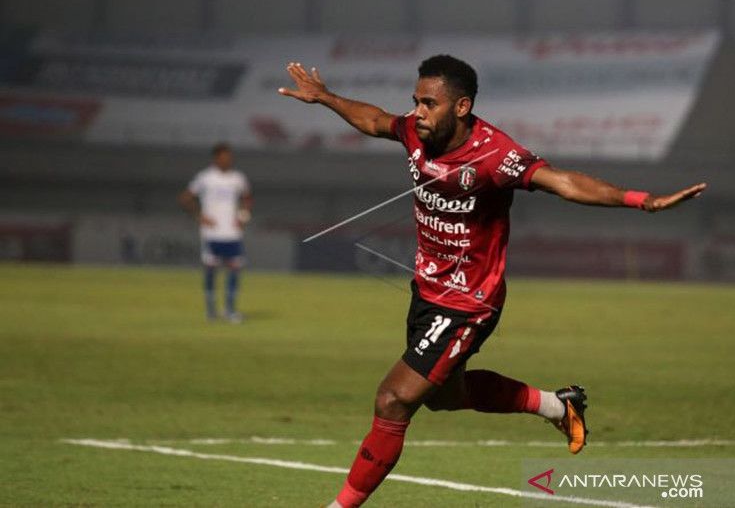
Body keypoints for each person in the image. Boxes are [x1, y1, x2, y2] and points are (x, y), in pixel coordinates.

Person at [279, 55, 706, 507]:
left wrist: (642, 201)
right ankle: (558, 405)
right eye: (415, 102)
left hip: (468, 302)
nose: (418, 112)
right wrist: (326, 98)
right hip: (425, 292)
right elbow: (374, 119)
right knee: (445, 397)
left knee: (392, 401)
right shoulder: (415, 132)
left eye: (429, 103)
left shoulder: (496, 155)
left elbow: (563, 182)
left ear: (461, 107)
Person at [179, 143, 253, 323]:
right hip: (212, 233)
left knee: (234, 269)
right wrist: (199, 216)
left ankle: (230, 310)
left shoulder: (238, 178)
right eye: (224, 156)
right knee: (211, 270)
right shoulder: (205, 177)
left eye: (230, 156)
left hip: (232, 232)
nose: (228, 159)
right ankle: (211, 311)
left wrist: (243, 217)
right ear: (216, 158)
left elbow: (247, 197)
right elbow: (185, 198)